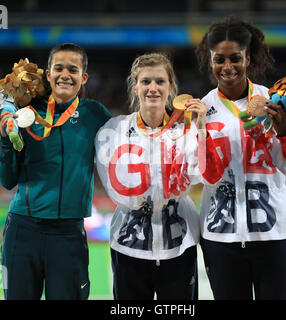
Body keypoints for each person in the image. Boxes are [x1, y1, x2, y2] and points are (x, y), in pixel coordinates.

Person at [195, 17, 286, 300]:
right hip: (220, 237)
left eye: (235, 58)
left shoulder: (275, 100)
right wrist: (200, 133)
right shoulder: (201, 110)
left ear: (248, 58)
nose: (227, 67)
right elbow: (205, 175)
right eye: (219, 59)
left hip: (276, 234)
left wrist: (285, 130)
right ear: (210, 61)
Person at [94, 53, 223, 300]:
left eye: (160, 82)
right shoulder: (114, 130)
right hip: (128, 245)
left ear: (171, 87)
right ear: (135, 86)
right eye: (146, 82)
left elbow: (207, 176)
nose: (153, 88)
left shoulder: (187, 131)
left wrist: (203, 129)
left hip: (178, 245)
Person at [0, 43, 112, 299]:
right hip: (23, 229)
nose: (65, 75)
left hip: (68, 233)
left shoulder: (95, 114)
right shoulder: (27, 114)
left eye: (73, 69)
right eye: (58, 68)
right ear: (47, 74)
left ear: (83, 77)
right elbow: (7, 180)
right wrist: (7, 138)